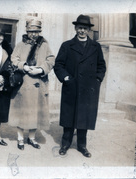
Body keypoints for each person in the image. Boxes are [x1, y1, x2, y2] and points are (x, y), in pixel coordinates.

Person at [54, 14, 106, 157]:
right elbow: (58, 65)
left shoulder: (96, 46)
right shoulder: (67, 45)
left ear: (89, 30)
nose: (82, 31)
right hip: (72, 86)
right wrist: (65, 78)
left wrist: (97, 80)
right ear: (75, 28)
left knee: (85, 118)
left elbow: (101, 66)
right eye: (79, 28)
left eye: (85, 28)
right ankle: (65, 144)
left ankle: (82, 146)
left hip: (89, 89)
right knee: (69, 117)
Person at [9, 18, 55, 150]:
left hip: (38, 84)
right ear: (27, 31)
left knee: (35, 112)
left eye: (36, 31)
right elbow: (14, 59)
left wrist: (41, 69)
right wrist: (24, 67)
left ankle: (32, 138)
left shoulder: (45, 46)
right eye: (31, 31)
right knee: (21, 112)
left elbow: (51, 60)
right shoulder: (20, 45)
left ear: (39, 32)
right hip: (23, 85)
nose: (33, 34)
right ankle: (20, 138)